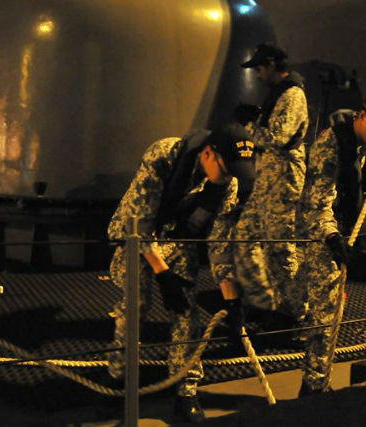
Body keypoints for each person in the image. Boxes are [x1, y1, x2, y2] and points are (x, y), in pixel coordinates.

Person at [105, 123, 255, 424]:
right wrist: (163, 274)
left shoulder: (227, 185)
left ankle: (185, 389)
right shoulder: (164, 154)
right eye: (227, 169)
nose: (229, 177)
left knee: (187, 313)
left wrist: (231, 300)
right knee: (136, 305)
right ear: (209, 154)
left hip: (177, 239)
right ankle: (118, 377)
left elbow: (219, 243)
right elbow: (139, 221)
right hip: (134, 237)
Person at [297, 89, 366, 395]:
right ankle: (313, 388)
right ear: (363, 116)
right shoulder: (330, 146)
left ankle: (316, 381)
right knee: (324, 314)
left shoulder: (364, 144)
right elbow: (316, 205)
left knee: (330, 312)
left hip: (337, 231)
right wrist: (332, 237)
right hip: (317, 234)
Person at [233, 43, 309, 323]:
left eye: (259, 68)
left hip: (282, 182)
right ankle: (263, 300)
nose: (257, 75)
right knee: (245, 235)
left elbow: (276, 138)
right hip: (267, 183)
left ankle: (294, 313)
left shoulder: (292, 95)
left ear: (271, 65)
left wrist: (249, 124)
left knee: (280, 249)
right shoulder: (278, 94)